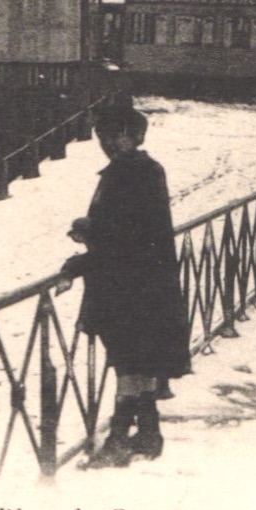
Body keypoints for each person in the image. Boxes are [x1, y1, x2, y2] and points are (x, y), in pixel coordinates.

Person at [59, 104, 191, 468]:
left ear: (135, 136)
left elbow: (125, 236)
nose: (109, 143)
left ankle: (118, 440)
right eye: (104, 135)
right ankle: (149, 434)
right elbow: (126, 227)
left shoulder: (130, 174)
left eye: (117, 135)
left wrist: (80, 257)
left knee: (129, 365)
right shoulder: (139, 171)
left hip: (130, 284)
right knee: (136, 363)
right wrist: (91, 229)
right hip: (142, 280)